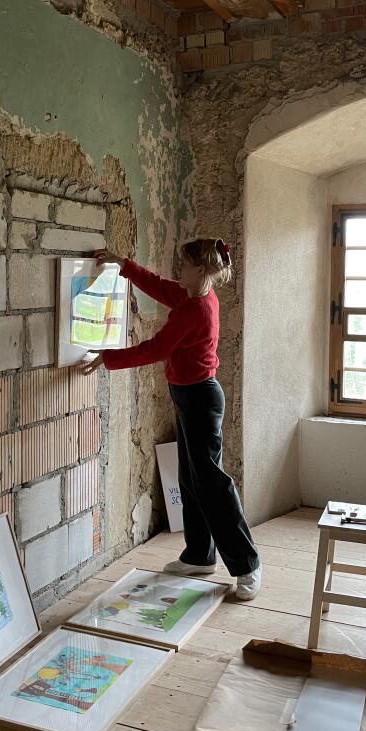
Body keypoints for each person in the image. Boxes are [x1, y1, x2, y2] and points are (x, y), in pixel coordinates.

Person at [77, 239, 262, 600]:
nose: (178, 269)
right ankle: (199, 556)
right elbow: (160, 286)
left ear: (200, 270)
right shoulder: (193, 295)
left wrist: (108, 358)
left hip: (201, 399)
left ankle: (248, 565)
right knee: (191, 478)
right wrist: (123, 264)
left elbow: (157, 349)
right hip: (189, 397)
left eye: (184, 264)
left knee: (212, 483)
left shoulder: (195, 309)